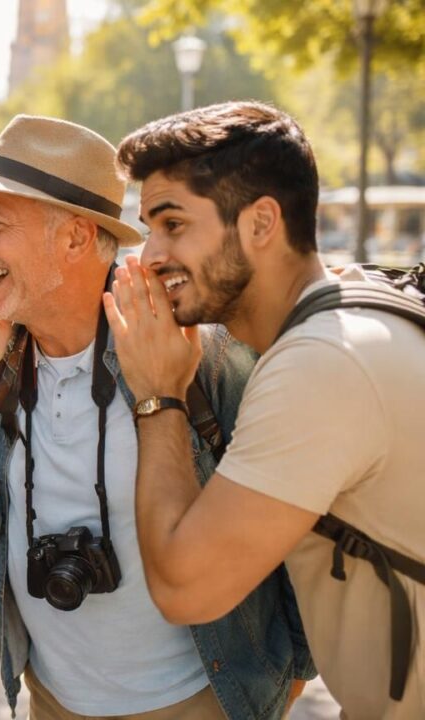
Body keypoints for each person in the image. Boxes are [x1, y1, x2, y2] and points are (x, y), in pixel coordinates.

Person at [0, 114, 313, 719]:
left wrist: (283, 684)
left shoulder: (198, 353)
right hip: (50, 699)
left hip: (200, 700)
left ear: (77, 238)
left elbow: (299, 541)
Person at [108, 101, 425, 719]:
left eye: (173, 224)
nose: (149, 255)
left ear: (261, 223)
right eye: (148, 227)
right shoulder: (355, 303)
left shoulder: (321, 364)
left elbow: (185, 587)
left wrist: (158, 394)